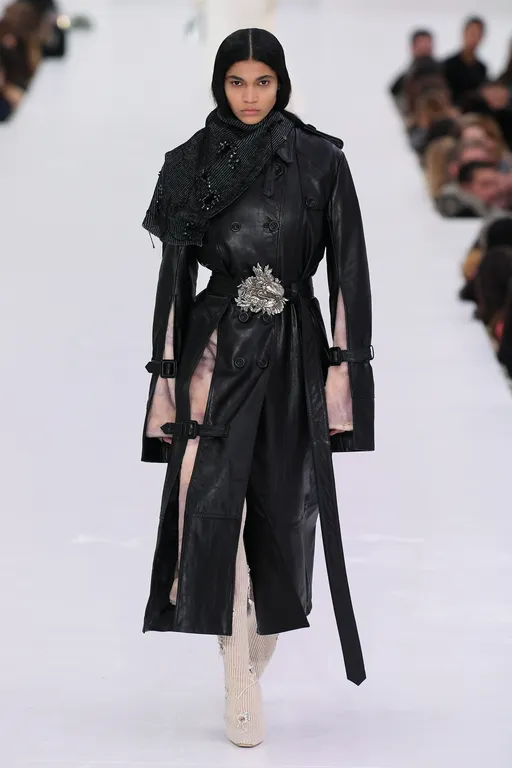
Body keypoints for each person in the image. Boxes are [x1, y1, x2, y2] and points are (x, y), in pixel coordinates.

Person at [140, 28, 374, 748]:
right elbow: (173, 282)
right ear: (220, 84)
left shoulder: (320, 160)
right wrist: (166, 379)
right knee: (211, 510)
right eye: (236, 82)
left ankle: (252, 651)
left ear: (282, 83)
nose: (249, 96)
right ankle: (238, 675)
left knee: (281, 511)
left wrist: (345, 370)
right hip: (214, 350)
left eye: (262, 82)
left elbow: (349, 272)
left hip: (293, 351)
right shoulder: (188, 164)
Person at [443, 17, 488, 106]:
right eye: (472, 33)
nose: (474, 38)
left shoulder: (481, 68)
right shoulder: (448, 65)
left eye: (478, 34)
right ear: (464, 33)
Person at [436, 160, 502, 218]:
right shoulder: (456, 213)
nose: (493, 191)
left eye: (496, 184)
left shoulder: (498, 210)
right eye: (485, 185)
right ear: (466, 187)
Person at [389, 28, 434, 107]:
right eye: (421, 45)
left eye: (427, 44)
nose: (425, 48)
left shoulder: (445, 70)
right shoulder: (406, 79)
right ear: (413, 47)